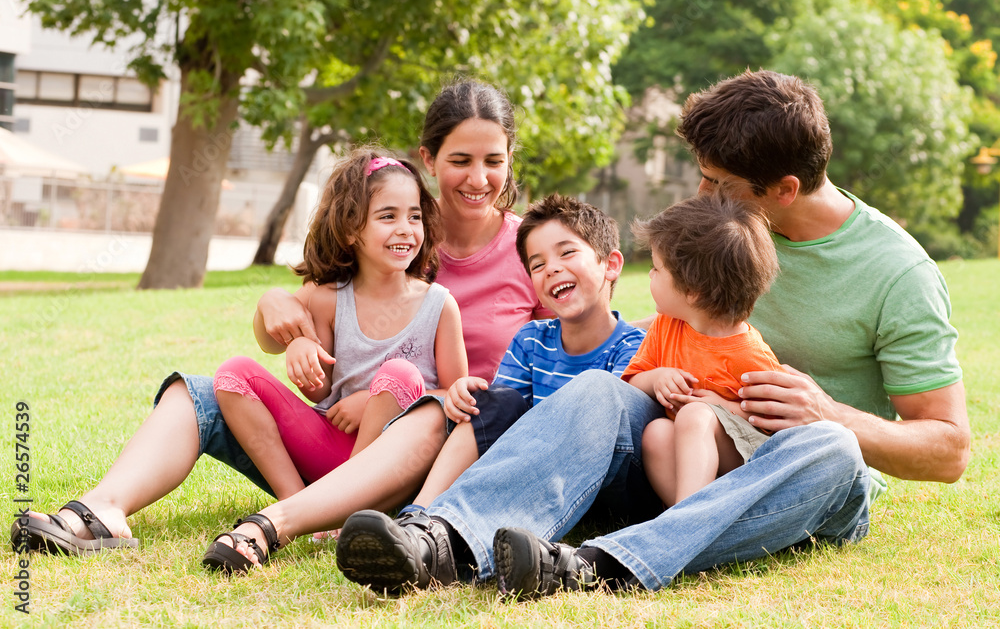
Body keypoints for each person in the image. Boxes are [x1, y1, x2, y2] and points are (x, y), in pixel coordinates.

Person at [334, 69, 969, 598]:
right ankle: (441, 539)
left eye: (717, 183)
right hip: (684, 457)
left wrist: (826, 411)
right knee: (600, 389)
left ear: (784, 189)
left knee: (830, 449)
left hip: (788, 475)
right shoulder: (716, 229)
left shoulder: (898, 272)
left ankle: (598, 565)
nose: (701, 193)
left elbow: (948, 449)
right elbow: (665, 325)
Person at [12, 80, 548, 565]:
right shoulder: (392, 218)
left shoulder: (532, 251)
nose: (478, 179)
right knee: (200, 393)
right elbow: (306, 311)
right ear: (429, 159)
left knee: (405, 388)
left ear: (509, 161)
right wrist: (273, 303)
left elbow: (575, 339)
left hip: (438, 448)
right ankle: (104, 509)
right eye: (461, 160)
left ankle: (312, 516)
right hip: (331, 437)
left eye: (493, 161)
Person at [334, 195, 645, 586]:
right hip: (534, 465)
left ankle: (444, 537)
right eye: (538, 264)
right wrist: (467, 393)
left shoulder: (632, 346)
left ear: (611, 265)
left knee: (590, 397)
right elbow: (503, 417)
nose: (552, 269)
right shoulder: (532, 339)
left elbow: (604, 429)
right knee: (490, 402)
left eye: (567, 253)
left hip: (601, 477)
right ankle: (420, 515)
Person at [200, 150, 468, 572]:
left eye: (414, 217)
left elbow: (457, 398)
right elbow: (301, 372)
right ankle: (297, 508)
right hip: (328, 450)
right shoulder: (325, 297)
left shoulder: (439, 305)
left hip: (393, 465)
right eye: (388, 216)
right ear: (349, 230)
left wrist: (375, 399)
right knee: (233, 374)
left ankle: (347, 508)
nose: (405, 229)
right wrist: (298, 345)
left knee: (400, 374)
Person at [624, 195, 783, 509]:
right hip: (691, 466)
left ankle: (688, 524)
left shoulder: (750, 355)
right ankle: (690, 516)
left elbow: (777, 423)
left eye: (657, 269)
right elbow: (631, 383)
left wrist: (723, 407)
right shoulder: (666, 327)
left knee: (696, 414)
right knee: (656, 431)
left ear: (693, 292)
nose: (650, 275)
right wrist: (655, 378)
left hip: (743, 468)